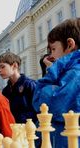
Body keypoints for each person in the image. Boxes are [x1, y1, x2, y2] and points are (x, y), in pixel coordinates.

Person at [32, 18, 80, 148]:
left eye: (53, 49)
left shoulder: (75, 73)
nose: (52, 56)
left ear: (70, 44)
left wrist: (52, 71)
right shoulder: (70, 71)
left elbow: (43, 103)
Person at [0, 52, 37, 124]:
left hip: (30, 130)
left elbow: (39, 110)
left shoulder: (30, 85)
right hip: (13, 129)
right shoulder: (6, 91)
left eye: (2, 67)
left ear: (14, 66)